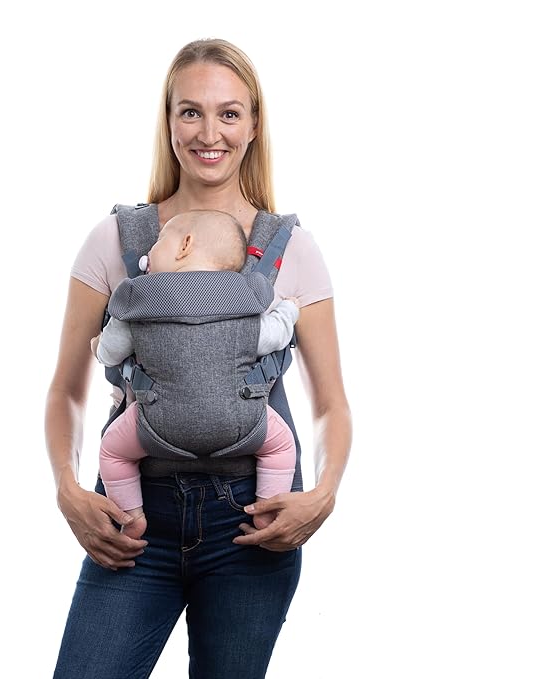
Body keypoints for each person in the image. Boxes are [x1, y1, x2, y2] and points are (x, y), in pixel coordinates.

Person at [45, 37, 352, 679]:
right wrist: (68, 489)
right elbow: (67, 389)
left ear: (254, 125)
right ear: (168, 121)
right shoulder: (117, 239)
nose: (209, 133)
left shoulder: (291, 248)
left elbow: (330, 404)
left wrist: (323, 494)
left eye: (229, 113)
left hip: (253, 520)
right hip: (133, 519)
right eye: (191, 112)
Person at [93, 208, 300, 540]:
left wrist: (98, 346)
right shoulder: (244, 299)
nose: (148, 255)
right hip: (241, 422)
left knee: (112, 451)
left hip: (158, 426)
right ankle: (266, 511)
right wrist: (289, 310)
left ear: (184, 245)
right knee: (281, 446)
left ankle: (132, 517)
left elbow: (110, 353)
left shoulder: (139, 300)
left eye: (159, 242)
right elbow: (275, 335)